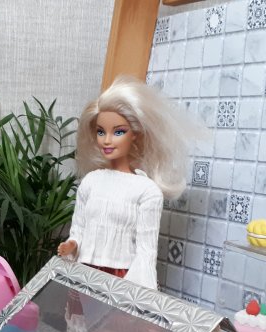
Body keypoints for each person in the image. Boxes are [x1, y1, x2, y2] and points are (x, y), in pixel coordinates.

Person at [57, 75, 199, 290]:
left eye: (118, 132)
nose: (107, 140)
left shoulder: (147, 190)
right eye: (101, 131)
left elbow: (146, 251)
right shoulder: (91, 181)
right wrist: (71, 245)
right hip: (84, 275)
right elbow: (78, 230)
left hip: (121, 279)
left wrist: (140, 295)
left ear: (135, 134)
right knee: (77, 313)